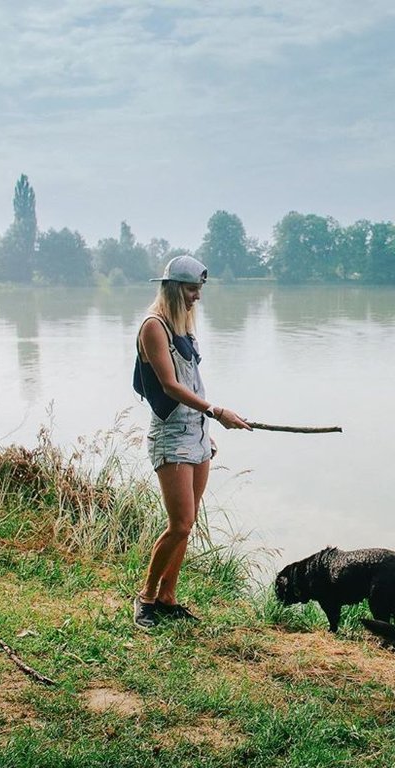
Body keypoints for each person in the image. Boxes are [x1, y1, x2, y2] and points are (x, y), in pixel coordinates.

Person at [131, 254, 251, 629]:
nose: (197, 296)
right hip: (171, 435)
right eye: (191, 289)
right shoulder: (154, 328)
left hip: (197, 433)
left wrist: (207, 427)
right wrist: (217, 411)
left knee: (190, 521)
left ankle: (168, 596)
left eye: (199, 289)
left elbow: (193, 382)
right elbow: (170, 385)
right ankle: (146, 598)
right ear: (172, 288)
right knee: (180, 524)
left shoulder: (184, 329)